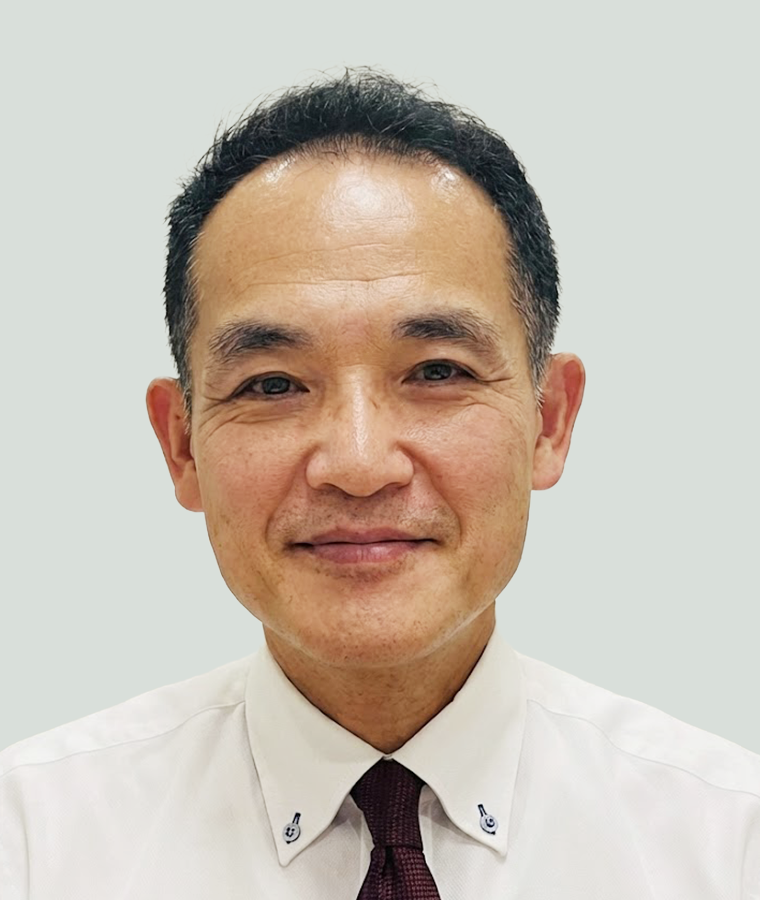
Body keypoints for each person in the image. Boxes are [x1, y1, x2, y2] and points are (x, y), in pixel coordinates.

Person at [1, 68, 758, 899]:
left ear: (549, 420)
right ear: (180, 445)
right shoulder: (33, 843)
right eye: (273, 384)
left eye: (437, 371)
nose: (358, 465)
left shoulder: (727, 843)